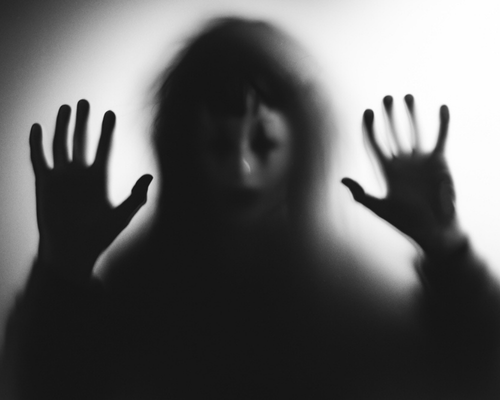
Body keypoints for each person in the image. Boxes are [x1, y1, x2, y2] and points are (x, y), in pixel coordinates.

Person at [3, 16, 500, 399]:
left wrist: (448, 250)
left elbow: (472, 381)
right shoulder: (132, 297)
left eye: (263, 142)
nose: (241, 169)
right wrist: (61, 271)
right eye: (219, 143)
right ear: (181, 147)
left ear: (302, 149)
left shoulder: (360, 300)